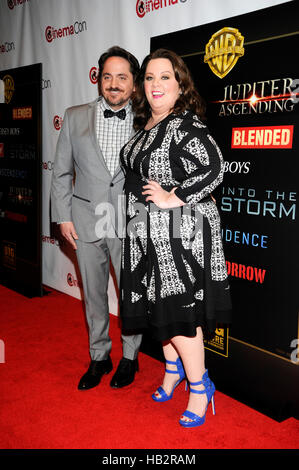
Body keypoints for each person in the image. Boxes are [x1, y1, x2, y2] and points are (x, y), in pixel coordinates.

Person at [120, 48, 231, 427]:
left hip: (178, 235)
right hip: (146, 234)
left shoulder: (183, 123)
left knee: (180, 315)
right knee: (161, 312)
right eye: (149, 77)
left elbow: (214, 167)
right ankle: (172, 371)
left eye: (165, 76)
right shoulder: (147, 126)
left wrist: (174, 197)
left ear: (180, 83)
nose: (155, 84)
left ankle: (200, 387)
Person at [51, 46, 143, 391]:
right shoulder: (75, 117)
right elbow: (61, 173)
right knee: (93, 295)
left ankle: (130, 358)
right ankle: (99, 356)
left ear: (134, 83)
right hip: (85, 218)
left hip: (128, 222)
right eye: (108, 77)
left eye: (122, 77)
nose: (114, 84)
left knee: (130, 294)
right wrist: (62, 217)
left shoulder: (147, 119)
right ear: (98, 80)